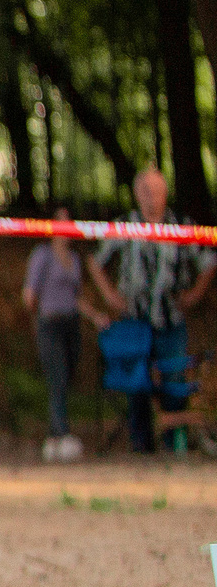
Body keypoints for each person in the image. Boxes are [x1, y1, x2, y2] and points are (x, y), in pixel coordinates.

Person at [87, 167, 214, 455]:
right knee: (137, 383)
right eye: (144, 191)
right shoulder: (124, 225)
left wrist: (194, 294)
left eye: (155, 190)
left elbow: (209, 261)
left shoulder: (182, 225)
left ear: (165, 192)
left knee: (174, 382)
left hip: (172, 321)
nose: (150, 197)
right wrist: (110, 294)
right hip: (134, 322)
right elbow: (95, 261)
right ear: (135, 194)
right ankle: (141, 445)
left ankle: (174, 444)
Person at [23, 209, 89, 462]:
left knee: (67, 376)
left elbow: (77, 297)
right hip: (49, 323)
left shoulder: (74, 259)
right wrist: (35, 318)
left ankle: (54, 437)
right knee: (57, 377)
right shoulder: (42, 255)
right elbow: (30, 293)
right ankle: (62, 433)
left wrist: (95, 317)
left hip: (71, 324)